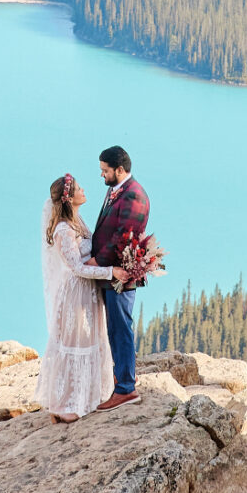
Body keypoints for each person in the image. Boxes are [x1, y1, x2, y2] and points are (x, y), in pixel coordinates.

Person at [38, 172, 120, 422]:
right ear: (69, 198)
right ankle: (65, 404)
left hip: (89, 291)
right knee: (75, 345)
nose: (84, 191)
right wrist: (111, 272)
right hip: (76, 293)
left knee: (90, 341)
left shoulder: (77, 221)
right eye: (79, 189)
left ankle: (87, 396)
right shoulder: (63, 229)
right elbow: (77, 267)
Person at [88, 144, 150, 409]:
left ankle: (126, 388)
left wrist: (95, 262)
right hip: (110, 274)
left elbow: (123, 238)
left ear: (120, 169)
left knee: (120, 329)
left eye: (105, 171)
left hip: (120, 277)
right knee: (114, 329)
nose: (102, 176)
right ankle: (120, 380)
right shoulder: (117, 190)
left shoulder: (134, 196)